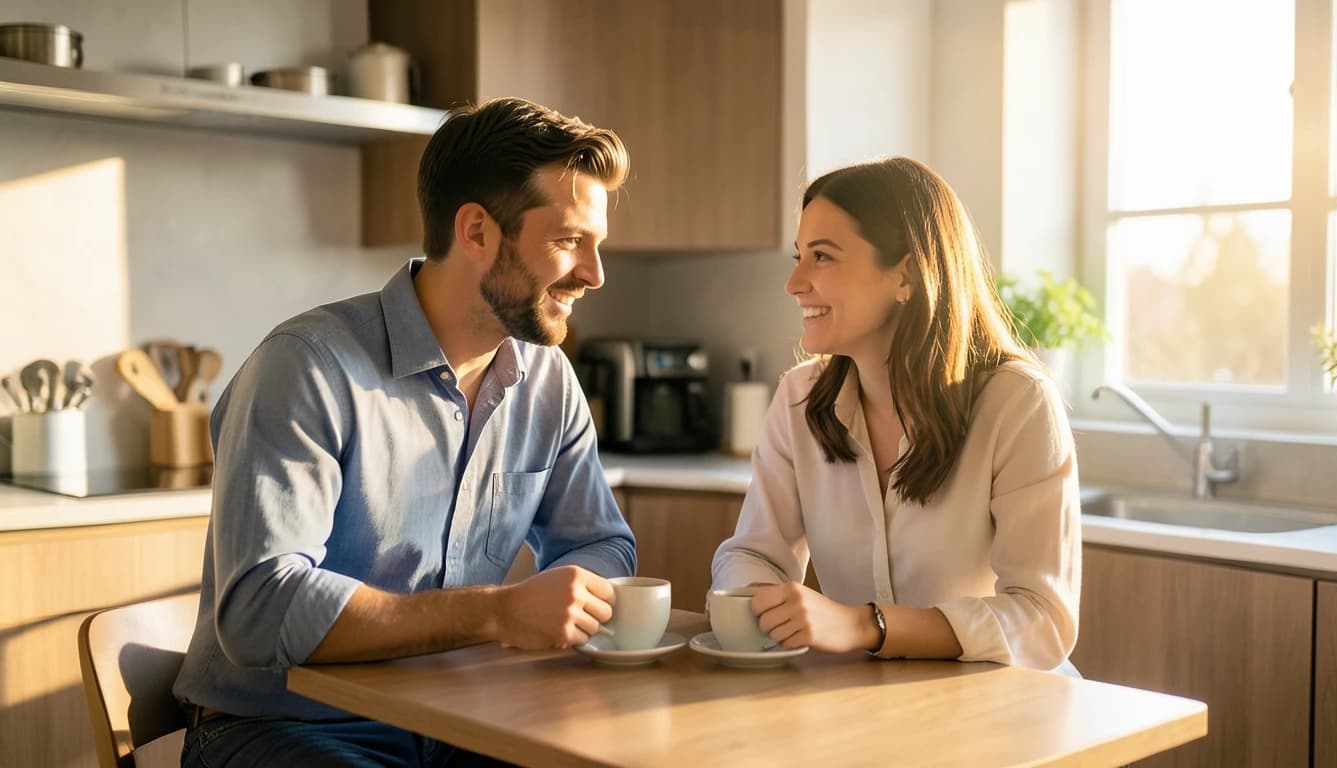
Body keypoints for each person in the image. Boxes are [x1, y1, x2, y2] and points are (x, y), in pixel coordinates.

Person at [173, 97, 637, 767]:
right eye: (569, 241)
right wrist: (497, 613)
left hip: (463, 721)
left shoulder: (548, 381)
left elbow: (600, 543)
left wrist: (564, 596)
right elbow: (259, 608)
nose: (595, 273)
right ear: (477, 231)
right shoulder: (307, 367)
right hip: (281, 729)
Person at [711, 157, 1080, 671]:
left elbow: (1042, 619)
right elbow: (753, 554)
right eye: (799, 256)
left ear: (906, 273)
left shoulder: (1017, 404)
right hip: (870, 704)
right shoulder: (799, 399)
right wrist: (758, 603)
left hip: (1004, 709)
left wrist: (867, 625)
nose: (794, 282)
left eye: (822, 257)